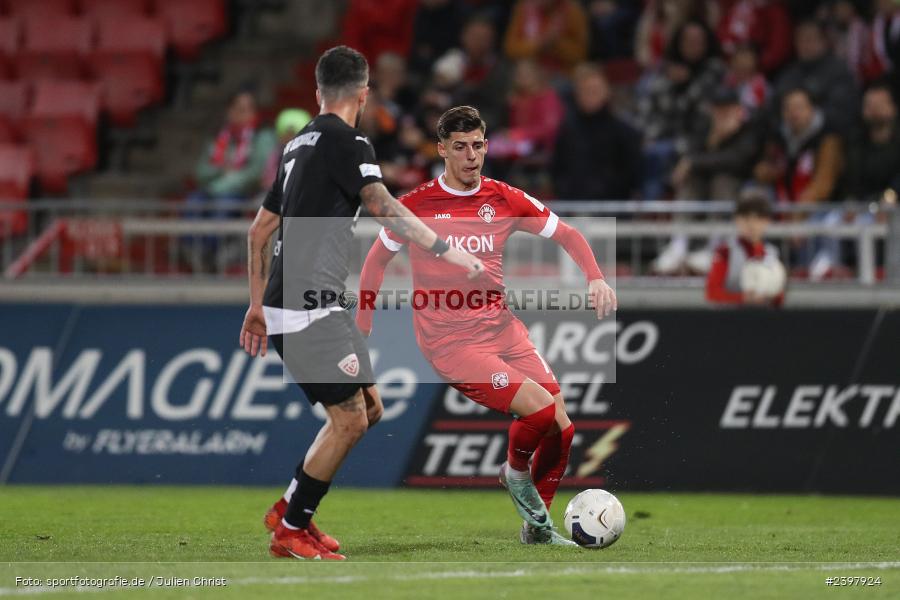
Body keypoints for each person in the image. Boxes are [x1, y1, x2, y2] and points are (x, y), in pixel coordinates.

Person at [240, 46, 484, 561]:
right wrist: (444, 246)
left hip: (310, 301)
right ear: (364, 92)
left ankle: (289, 506)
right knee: (349, 419)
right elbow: (382, 205)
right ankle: (291, 528)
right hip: (308, 306)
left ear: (318, 91)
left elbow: (260, 230)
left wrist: (256, 305)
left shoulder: (296, 144)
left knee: (369, 408)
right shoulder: (348, 140)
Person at [355, 106, 617, 545]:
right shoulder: (416, 206)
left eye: (478, 145)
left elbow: (568, 234)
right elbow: (375, 261)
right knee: (538, 408)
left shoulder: (504, 198)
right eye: (460, 147)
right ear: (442, 150)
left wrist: (596, 277)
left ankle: (537, 527)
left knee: (562, 427)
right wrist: (362, 326)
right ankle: (515, 473)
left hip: (501, 328)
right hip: (450, 342)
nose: (471, 156)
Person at [551, 63, 640, 200]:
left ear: (606, 92)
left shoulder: (624, 132)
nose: (590, 96)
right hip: (573, 207)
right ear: (577, 94)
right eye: (585, 91)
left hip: (612, 210)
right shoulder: (567, 130)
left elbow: (630, 174)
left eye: (595, 90)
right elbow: (557, 168)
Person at [773, 19, 860, 133]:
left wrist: (812, 117)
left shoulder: (838, 71)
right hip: (788, 135)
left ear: (824, 41)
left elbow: (844, 112)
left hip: (826, 135)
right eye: (801, 40)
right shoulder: (789, 72)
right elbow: (773, 107)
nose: (805, 45)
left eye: (810, 39)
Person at [706, 190, 784, 306]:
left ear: (767, 221)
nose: (752, 224)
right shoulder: (725, 252)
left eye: (758, 218)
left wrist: (770, 295)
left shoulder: (771, 254)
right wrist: (743, 298)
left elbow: (779, 296)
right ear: (736, 219)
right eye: (746, 218)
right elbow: (712, 293)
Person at [846, 83, 900, 202]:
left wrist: (892, 195)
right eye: (869, 105)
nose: (874, 110)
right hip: (863, 208)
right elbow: (852, 182)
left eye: (880, 105)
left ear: (893, 107)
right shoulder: (855, 141)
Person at [503, 0, 589, 74]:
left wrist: (557, 43)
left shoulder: (572, 11)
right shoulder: (523, 8)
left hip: (561, 73)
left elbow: (580, 55)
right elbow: (510, 49)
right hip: (528, 72)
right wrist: (540, 44)